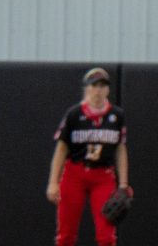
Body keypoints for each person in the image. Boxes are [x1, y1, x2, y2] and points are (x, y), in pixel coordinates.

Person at [47, 66, 130, 246]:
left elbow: (120, 149)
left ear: (108, 89)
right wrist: (53, 182)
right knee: (66, 235)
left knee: (107, 236)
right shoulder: (74, 115)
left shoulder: (116, 116)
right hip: (74, 173)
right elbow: (61, 149)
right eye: (94, 85)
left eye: (102, 86)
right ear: (86, 88)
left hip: (103, 175)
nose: (98, 90)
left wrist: (123, 184)